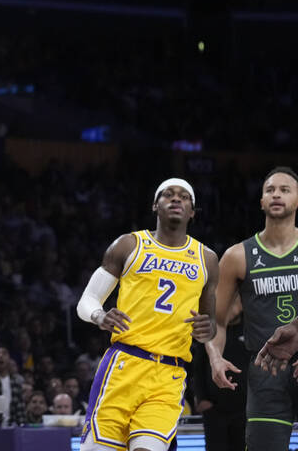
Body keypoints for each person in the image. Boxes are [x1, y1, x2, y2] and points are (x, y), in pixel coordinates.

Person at [75, 178, 219, 451]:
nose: (176, 199)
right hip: (123, 366)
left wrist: (207, 328)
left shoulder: (207, 259)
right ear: (155, 205)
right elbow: (87, 300)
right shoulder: (128, 245)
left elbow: (210, 322)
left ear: (192, 212)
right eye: (168, 194)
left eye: (184, 197)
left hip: (169, 374)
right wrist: (100, 316)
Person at [205, 167, 298, 450]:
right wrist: (215, 358)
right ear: (261, 202)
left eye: (285, 189)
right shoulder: (236, 255)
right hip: (265, 368)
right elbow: (216, 321)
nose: (276, 194)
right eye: (270, 190)